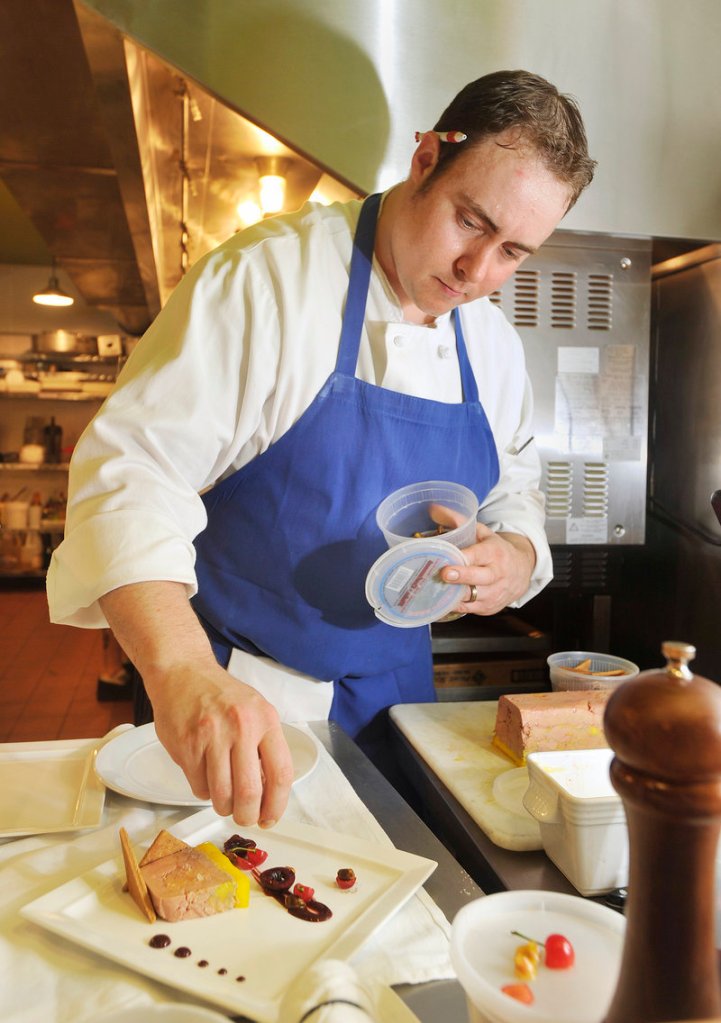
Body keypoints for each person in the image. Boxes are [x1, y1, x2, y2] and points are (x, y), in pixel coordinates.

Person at [47, 69, 596, 829]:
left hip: (399, 703)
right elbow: (131, 476)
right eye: (471, 222)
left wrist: (515, 556)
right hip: (233, 699)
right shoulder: (266, 282)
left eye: (513, 253)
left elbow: (516, 490)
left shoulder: (494, 346)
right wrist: (179, 670)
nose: (478, 273)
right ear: (425, 159)